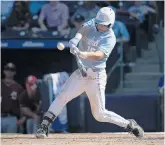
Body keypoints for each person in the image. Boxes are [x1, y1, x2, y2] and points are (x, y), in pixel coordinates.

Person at [36, 7, 144, 139]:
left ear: (110, 25)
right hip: (81, 73)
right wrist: (75, 40)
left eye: (103, 25)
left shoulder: (110, 38)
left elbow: (99, 55)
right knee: (62, 96)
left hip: (96, 76)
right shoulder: (95, 22)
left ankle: (129, 124)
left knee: (99, 114)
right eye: (98, 23)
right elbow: (84, 29)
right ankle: (44, 126)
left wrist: (83, 54)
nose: (99, 26)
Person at [1, 62, 25, 133]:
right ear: (4, 71)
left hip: (11, 118)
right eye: (7, 69)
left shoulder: (18, 87)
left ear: (15, 72)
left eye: (12, 70)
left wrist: (23, 118)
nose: (9, 71)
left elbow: (23, 104)